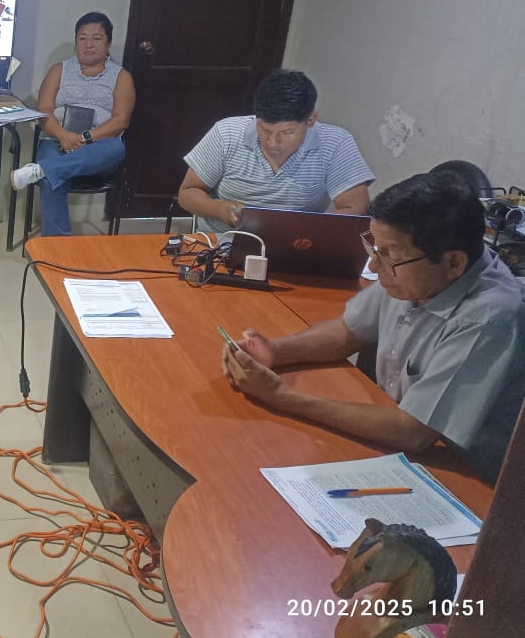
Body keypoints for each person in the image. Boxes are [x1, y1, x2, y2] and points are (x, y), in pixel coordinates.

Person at [221, 172, 525, 484]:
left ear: (453, 263)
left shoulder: (489, 316)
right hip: (392, 438)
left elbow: (412, 431)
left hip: (464, 476)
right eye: (374, 248)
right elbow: (346, 333)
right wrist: (276, 351)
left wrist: (280, 396)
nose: (375, 265)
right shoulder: (415, 272)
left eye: (388, 255)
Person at [178, 69, 373, 233]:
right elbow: (187, 193)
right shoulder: (227, 133)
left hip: (298, 243)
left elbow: (356, 209)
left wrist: (303, 228)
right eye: (265, 130)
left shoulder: (335, 143)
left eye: (287, 132)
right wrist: (219, 209)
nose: (272, 143)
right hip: (221, 241)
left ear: (311, 119)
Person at [9, 12, 135, 237]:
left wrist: (85, 138)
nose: (88, 45)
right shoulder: (59, 70)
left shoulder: (121, 77)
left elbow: (121, 120)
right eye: (82, 38)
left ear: (108, 43)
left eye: (96, 38)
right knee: (51, 179)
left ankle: (41, 170)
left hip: (98, 147)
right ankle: (57, 247)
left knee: (117, 147)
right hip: (56, 140)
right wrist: (63, 135)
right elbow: (44, 111)